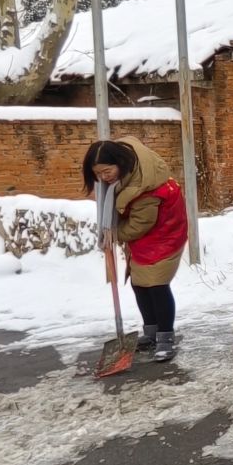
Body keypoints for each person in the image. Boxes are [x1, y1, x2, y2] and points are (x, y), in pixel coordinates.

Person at [82, 138, 188, 362]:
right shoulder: (125, 171)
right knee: (139, 285)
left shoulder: (144, 187)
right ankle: (151, 332)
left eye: (107, 171)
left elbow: (140, 225)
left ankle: (165, 338)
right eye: (98, 173)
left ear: (120, 163)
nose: (104, 177)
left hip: (165, 235)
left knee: (157, 286)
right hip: (146, 238)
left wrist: (113, 233)